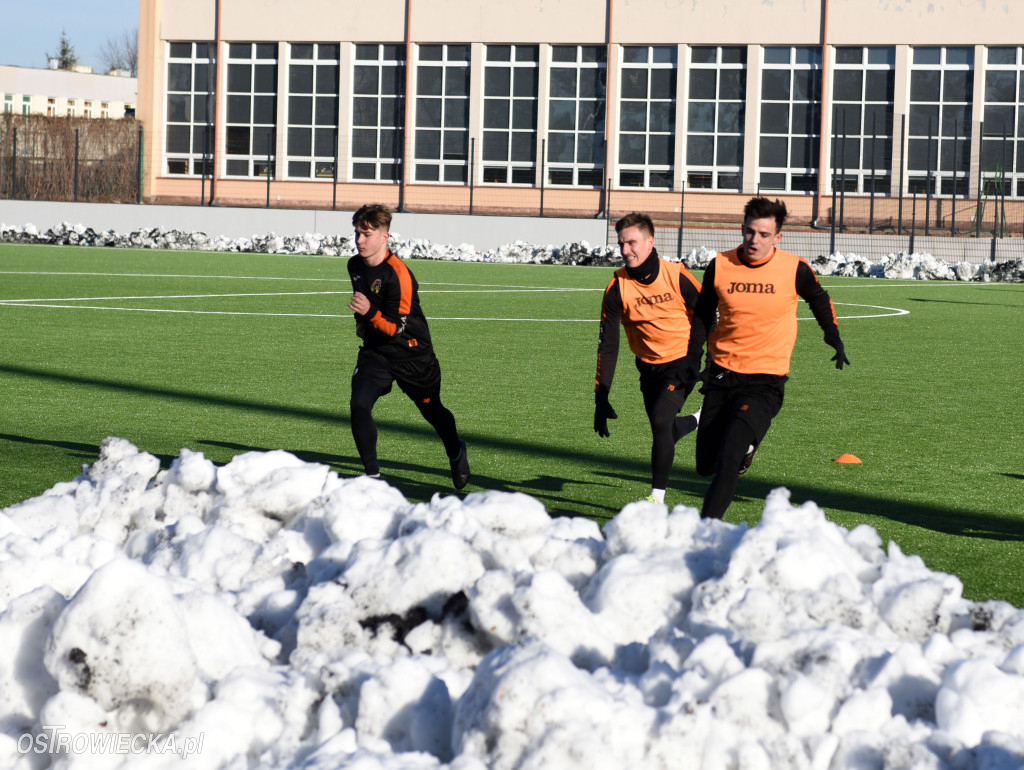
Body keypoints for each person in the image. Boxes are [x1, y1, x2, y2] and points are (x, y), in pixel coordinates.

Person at [693, 196, 849, 519]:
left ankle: (705, 530)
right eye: (750, 232)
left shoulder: (794, 269)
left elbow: (820, 300)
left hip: (765, 381)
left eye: (764, 235)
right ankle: (744, 449)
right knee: (706, 463)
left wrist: (832, 335)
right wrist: (690, 360)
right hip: (722, 374)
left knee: (728, 459)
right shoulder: (720, 265)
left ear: (778, 237)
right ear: (742, 229)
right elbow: (702, 315)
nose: (755, 240)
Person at [346, 203, 470, 489]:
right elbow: (364, 303)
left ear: (384, 237)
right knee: (359, 404)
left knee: (432, 412)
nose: (360, 240)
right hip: (376, 353)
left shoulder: (399, 274)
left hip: (411, 353)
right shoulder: (354, 265)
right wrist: (362, 322)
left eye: (366, 234)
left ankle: (455, 451)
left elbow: (396, 328)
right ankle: (373, 478)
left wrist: (368, 314)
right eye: (357, 234)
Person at [593, 212, 706, 503]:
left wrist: (704, 360)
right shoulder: (617, 288)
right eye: (621, 244)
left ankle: (656, 499)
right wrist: (601, 396)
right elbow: (608, 345)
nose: (625, 250)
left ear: (650, 241)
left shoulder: (676, 274)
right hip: (648, 368)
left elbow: (710, 315)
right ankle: (697, 420)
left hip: (683, 362)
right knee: (664, 427)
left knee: (659, 419)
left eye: (631, 242)